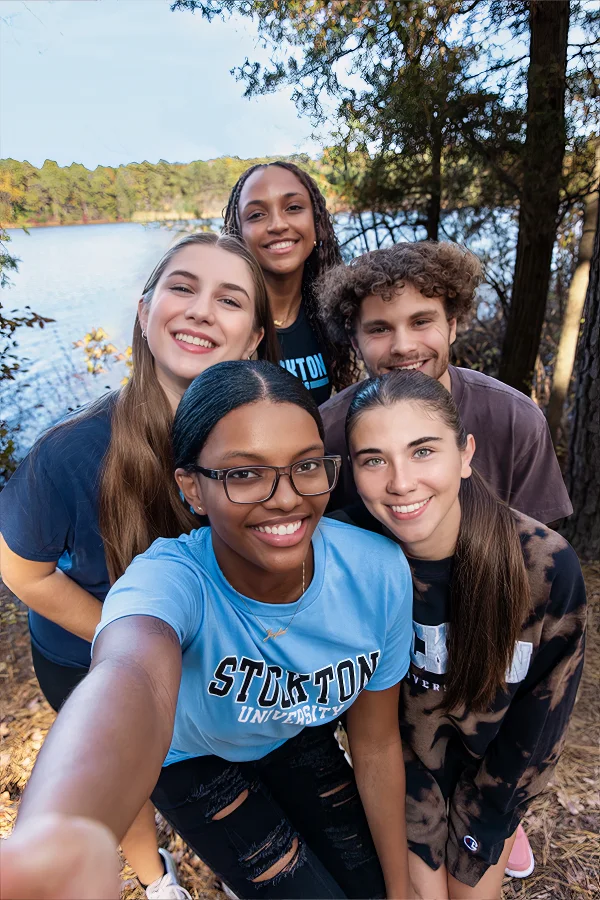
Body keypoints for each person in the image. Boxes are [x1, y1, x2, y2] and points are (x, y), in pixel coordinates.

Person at [4, 360, 414, 900]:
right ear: (192, 489)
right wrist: (59, 825)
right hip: (189, 758)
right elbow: (130, 676)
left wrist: (402, 891)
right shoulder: (171, 580)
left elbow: (378, 743)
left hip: (287, 731)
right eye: (244, 473)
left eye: (307, 465)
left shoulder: (377, 573)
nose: (286, 497)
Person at [0, 233, 279, 899]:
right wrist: (133, 642)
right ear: (145, 308)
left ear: (254, 337)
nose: (202, 309)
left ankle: (240, 861)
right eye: (183, 287)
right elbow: (23, 572)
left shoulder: (265, 438)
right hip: (86, 652)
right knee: (131, 777)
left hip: (208, 652)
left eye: (230, 298)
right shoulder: (66, 455)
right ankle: (158, 881)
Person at [338, 369, 586, 900]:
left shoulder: (543, 566)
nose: (400, 482)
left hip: (493, 777)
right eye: (373, 460)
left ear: (465, 453)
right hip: (402, 779)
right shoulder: (347, 558)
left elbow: (540, 723)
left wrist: (485, 825)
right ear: (353, 473)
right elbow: (374, 732)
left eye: (423, 450)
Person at [317, 241, 573, 525]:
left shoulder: (515, 420)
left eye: (421, 322)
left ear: (451, 326)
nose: (403, 346)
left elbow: (540, 552)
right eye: (380, 329)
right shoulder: (324, 432)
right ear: (355, 342)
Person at [223, 160, 359, 404]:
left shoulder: (336, 315)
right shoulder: (224, 321)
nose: (277, 225)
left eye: (294, 207)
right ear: (239, 234)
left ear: (317, 223)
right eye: (256, 215)